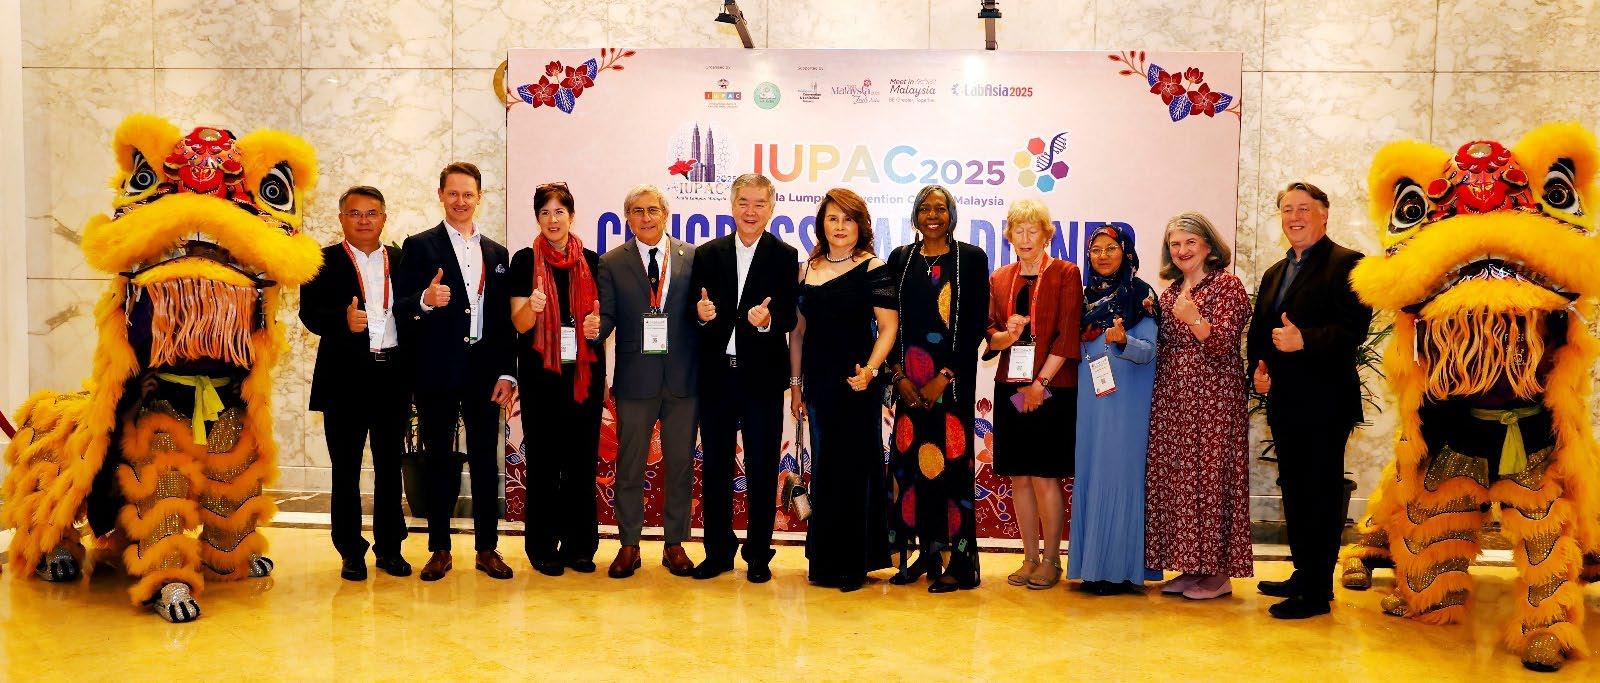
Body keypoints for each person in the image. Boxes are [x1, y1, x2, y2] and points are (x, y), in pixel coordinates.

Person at [1247, 182, 1372, 619]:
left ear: (1324, 214)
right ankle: (1304, 574)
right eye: (1287, 209)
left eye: (1303, 208)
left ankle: (1317, 592)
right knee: (1297, 492)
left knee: (1320, 493)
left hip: (1326, 402)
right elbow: (1260, 332)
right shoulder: (1275, 273)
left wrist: (1306, 340)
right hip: (1284, 401)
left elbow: (1354, 329)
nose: (1294, 217)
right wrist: (1259, 370)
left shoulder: (1348, 263)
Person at [394, 162, 517, 582]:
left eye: (468, 194)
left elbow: (503, 321)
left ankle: (487, 549)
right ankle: (440, 549)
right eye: (453, 193)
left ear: (479, 197)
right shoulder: (418, 246)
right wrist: (425, 300)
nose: (461, 201)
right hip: (437, 370)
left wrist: (507, 372)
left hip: (484, 371)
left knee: (484, 461)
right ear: (441, 195)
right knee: (438, 461)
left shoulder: (497, 254)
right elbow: (401, 306)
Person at [688, 174, 799, 583]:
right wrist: (700, 316)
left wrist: (768, 320)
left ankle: (757, 555)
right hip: (717, 377)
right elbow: (691, 311)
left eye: (759, 204)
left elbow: (789, 318)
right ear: (732, 205)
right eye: (744, 203)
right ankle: (717, 553)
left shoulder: (785, 256)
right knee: (716, 467)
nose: (751, 211)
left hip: (762, 380)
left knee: (762, 468)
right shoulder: (708, 253)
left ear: (771, 208)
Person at [299, 186, 412, 581]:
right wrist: (341, 321)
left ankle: (390, 549)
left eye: (371, 213)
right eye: (355, 213)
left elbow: (412, 309)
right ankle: (350, 551)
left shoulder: (402, 260)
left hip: (391, 376)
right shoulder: (322, 261)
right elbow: (309, 313)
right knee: (345, 469)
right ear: (341, 218)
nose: (364, 220)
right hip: (344, 379)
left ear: (384, 218)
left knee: (389, 467)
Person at [790, 188, 898, 592]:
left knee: (855, 470)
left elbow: (888, 327)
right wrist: (796, 385)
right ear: (821, 224)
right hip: (818, 385)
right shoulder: (805, 270)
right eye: (832, 218)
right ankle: (825, 561)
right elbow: (797, 334)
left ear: (860, 226)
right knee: (826, 469)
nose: (839, 227)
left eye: (848, 219)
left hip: (856, 383)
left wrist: (870, 371)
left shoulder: (873, 267)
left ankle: (854, 562)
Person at [590, 184, 700, 579]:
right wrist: (595, 328)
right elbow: (607, 317)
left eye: (652, 210)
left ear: (665, 214)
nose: (646, 217)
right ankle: (629, 545)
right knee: (630, 465)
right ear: (628, 218)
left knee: (680, 465)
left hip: (683, 379)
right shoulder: (612, 262)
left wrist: (705, 313)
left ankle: (675, 544)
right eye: (637, 211)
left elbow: (699, 312)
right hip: (635, 379)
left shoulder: (692, 256)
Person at [886, 184, 991, 593]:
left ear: (952, 215)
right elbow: (888, 322)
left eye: (940, 208)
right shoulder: (900, 259)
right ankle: (925, 554)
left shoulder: (970, 259)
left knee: (952, 474)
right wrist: (899, 376)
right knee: (913, 472)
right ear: (914, 215)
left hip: (951, 385)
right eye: (925, 209)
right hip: (909, 386)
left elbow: (974, 325)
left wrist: (942, 377)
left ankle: (961, 564)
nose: (932, 215)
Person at [1144, 211, 1252, 600]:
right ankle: (1192, 567)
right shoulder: (1170, 292)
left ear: (1208, 245)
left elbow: (1222, 343)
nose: (1182, 250)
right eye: (1175, 244)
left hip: (1214, 401)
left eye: (1190, 241)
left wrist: (1193, 319)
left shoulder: (1227, 286)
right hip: (1174, 402)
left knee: (1212, 480)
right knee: (1182, 482)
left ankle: (1218, 575)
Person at [509, 182, 606, 576]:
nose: (553, 219)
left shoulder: (593, 261)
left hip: (584, 376)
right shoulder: (523, 261)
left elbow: (603, 321)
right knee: (545, 463)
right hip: (541, 377)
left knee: (581, 463)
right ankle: (543, 546)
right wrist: (533, 308)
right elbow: (519, 324)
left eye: (559, 212)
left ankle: (581, 546)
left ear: (572, 216)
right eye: (545, 212)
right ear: (537, 217)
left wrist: (598, 327)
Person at [984, 199, 1082, 591]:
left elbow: (1068, 335)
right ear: (1009, 235)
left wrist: (1040, 383)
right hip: (1010, 386)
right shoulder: (999, 278)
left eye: (1033, 230)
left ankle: (1051, 558)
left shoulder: (1066, 273)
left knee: (1044, 476)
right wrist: (1007, 335)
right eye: (1018, 230)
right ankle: (1028, 557)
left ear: (1046, 234)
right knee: (1019, 476)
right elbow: (990, 337)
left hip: (1051, 387)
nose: (1025, 238)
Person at [1067, 224, 1162, 595]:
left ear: (1127, 252)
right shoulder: (1082, 297)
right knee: (1092, 472)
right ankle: (1092, 567)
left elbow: (1149, 352)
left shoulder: (1141, 295)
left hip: (1127, 399)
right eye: (1096, 249)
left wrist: (1125, 341)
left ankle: (1119, 571)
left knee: (1119, 474)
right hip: (1091, 398)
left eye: (1111, 248)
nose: (1103, 255)